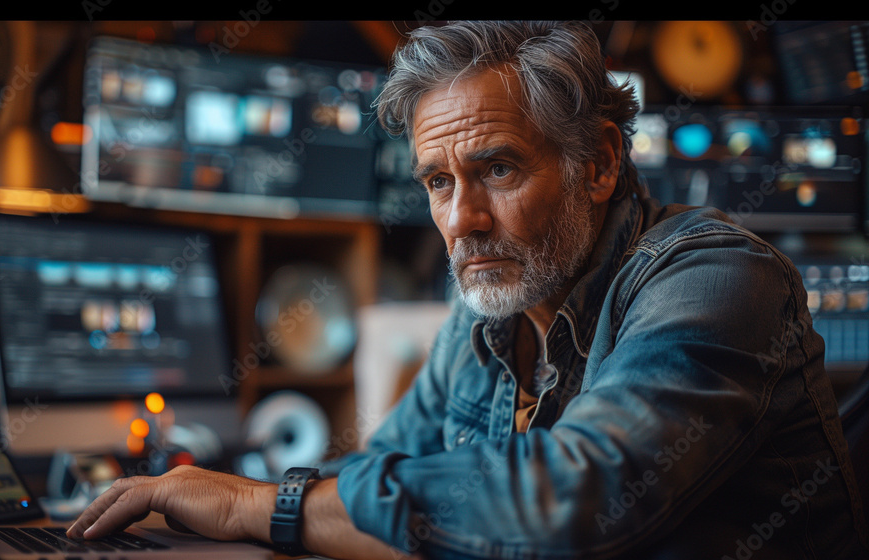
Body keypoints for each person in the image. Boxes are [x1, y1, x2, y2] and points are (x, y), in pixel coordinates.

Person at [67, 21, 869, 559]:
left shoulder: (719, 279)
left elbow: (576, 498)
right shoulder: (486, 312)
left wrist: (254, 507)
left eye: (497, 169)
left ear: (597, 164)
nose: (461, 219)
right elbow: (380, 477)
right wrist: (235, 501)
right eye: (438, 181)